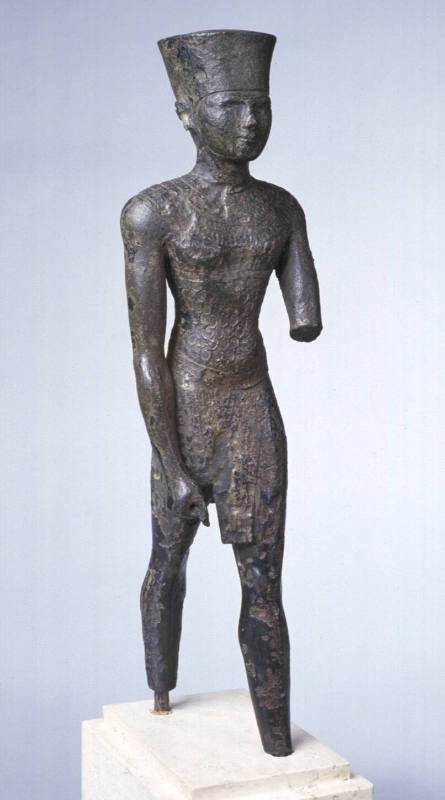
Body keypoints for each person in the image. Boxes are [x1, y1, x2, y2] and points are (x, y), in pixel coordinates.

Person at [120, 29, 322, 757]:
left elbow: (305, 314)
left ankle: (276, 742)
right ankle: (160, 688)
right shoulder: (153, 212)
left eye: (260, 105)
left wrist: (300, 290)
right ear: (187, 111)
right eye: (231, 105)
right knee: (167, 557)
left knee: (263, 581)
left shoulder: (280, 209)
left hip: (251, 406)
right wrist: (169, 460)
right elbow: (146, 350)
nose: (249, 121)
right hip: (184, 404)